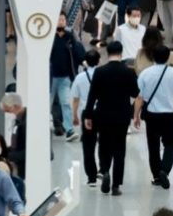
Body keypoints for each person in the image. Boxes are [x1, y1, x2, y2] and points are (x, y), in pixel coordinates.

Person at [83, 41, 140, 196]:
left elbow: (92, 95)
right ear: (121, 53)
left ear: (107, 54)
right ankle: (116, 185)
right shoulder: (128, 72)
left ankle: (105, 170)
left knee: (104, 145)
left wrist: (88, 115)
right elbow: (135, 93)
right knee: (120, 149)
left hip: (103, 115)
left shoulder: (100, 71)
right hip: (122, 116)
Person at [134, 45, 173, 190]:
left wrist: (136, 116)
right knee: (170, 144)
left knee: (153, 147)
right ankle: (165, 170)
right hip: (169, 115)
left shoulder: (145, 74)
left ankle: (157, 177)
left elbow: (139, 98)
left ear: (153, 57)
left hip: (152, 116)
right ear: (168, 57)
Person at [50, 13, 87, 142]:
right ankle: (41, 128)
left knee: (66, 103)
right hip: (50, 78)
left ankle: (69, 130)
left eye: (63, 19)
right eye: (58, 19)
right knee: (48, 103)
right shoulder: (49, 38)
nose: (61, 22)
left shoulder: (70, 37)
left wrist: (84, 62)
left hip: (65, 77)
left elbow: (78, 52)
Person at [71, 49, 101, 186]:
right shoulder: (103, 75)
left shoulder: (80, 78)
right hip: (102, 112)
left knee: (88, 145)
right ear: (99, 61)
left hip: (86, 114)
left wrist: (74, 115)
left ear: (86, 62)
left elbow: (75, 99)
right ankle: (104, 169)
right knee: (104, 143)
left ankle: (91, 177)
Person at [0, 94, 29, 179]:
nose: (7, 114)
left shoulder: (27, 123)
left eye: (8, 111)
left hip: (26, 166)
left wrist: (9, 156)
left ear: (15, 106)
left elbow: (29, 149)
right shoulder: (18, 120)